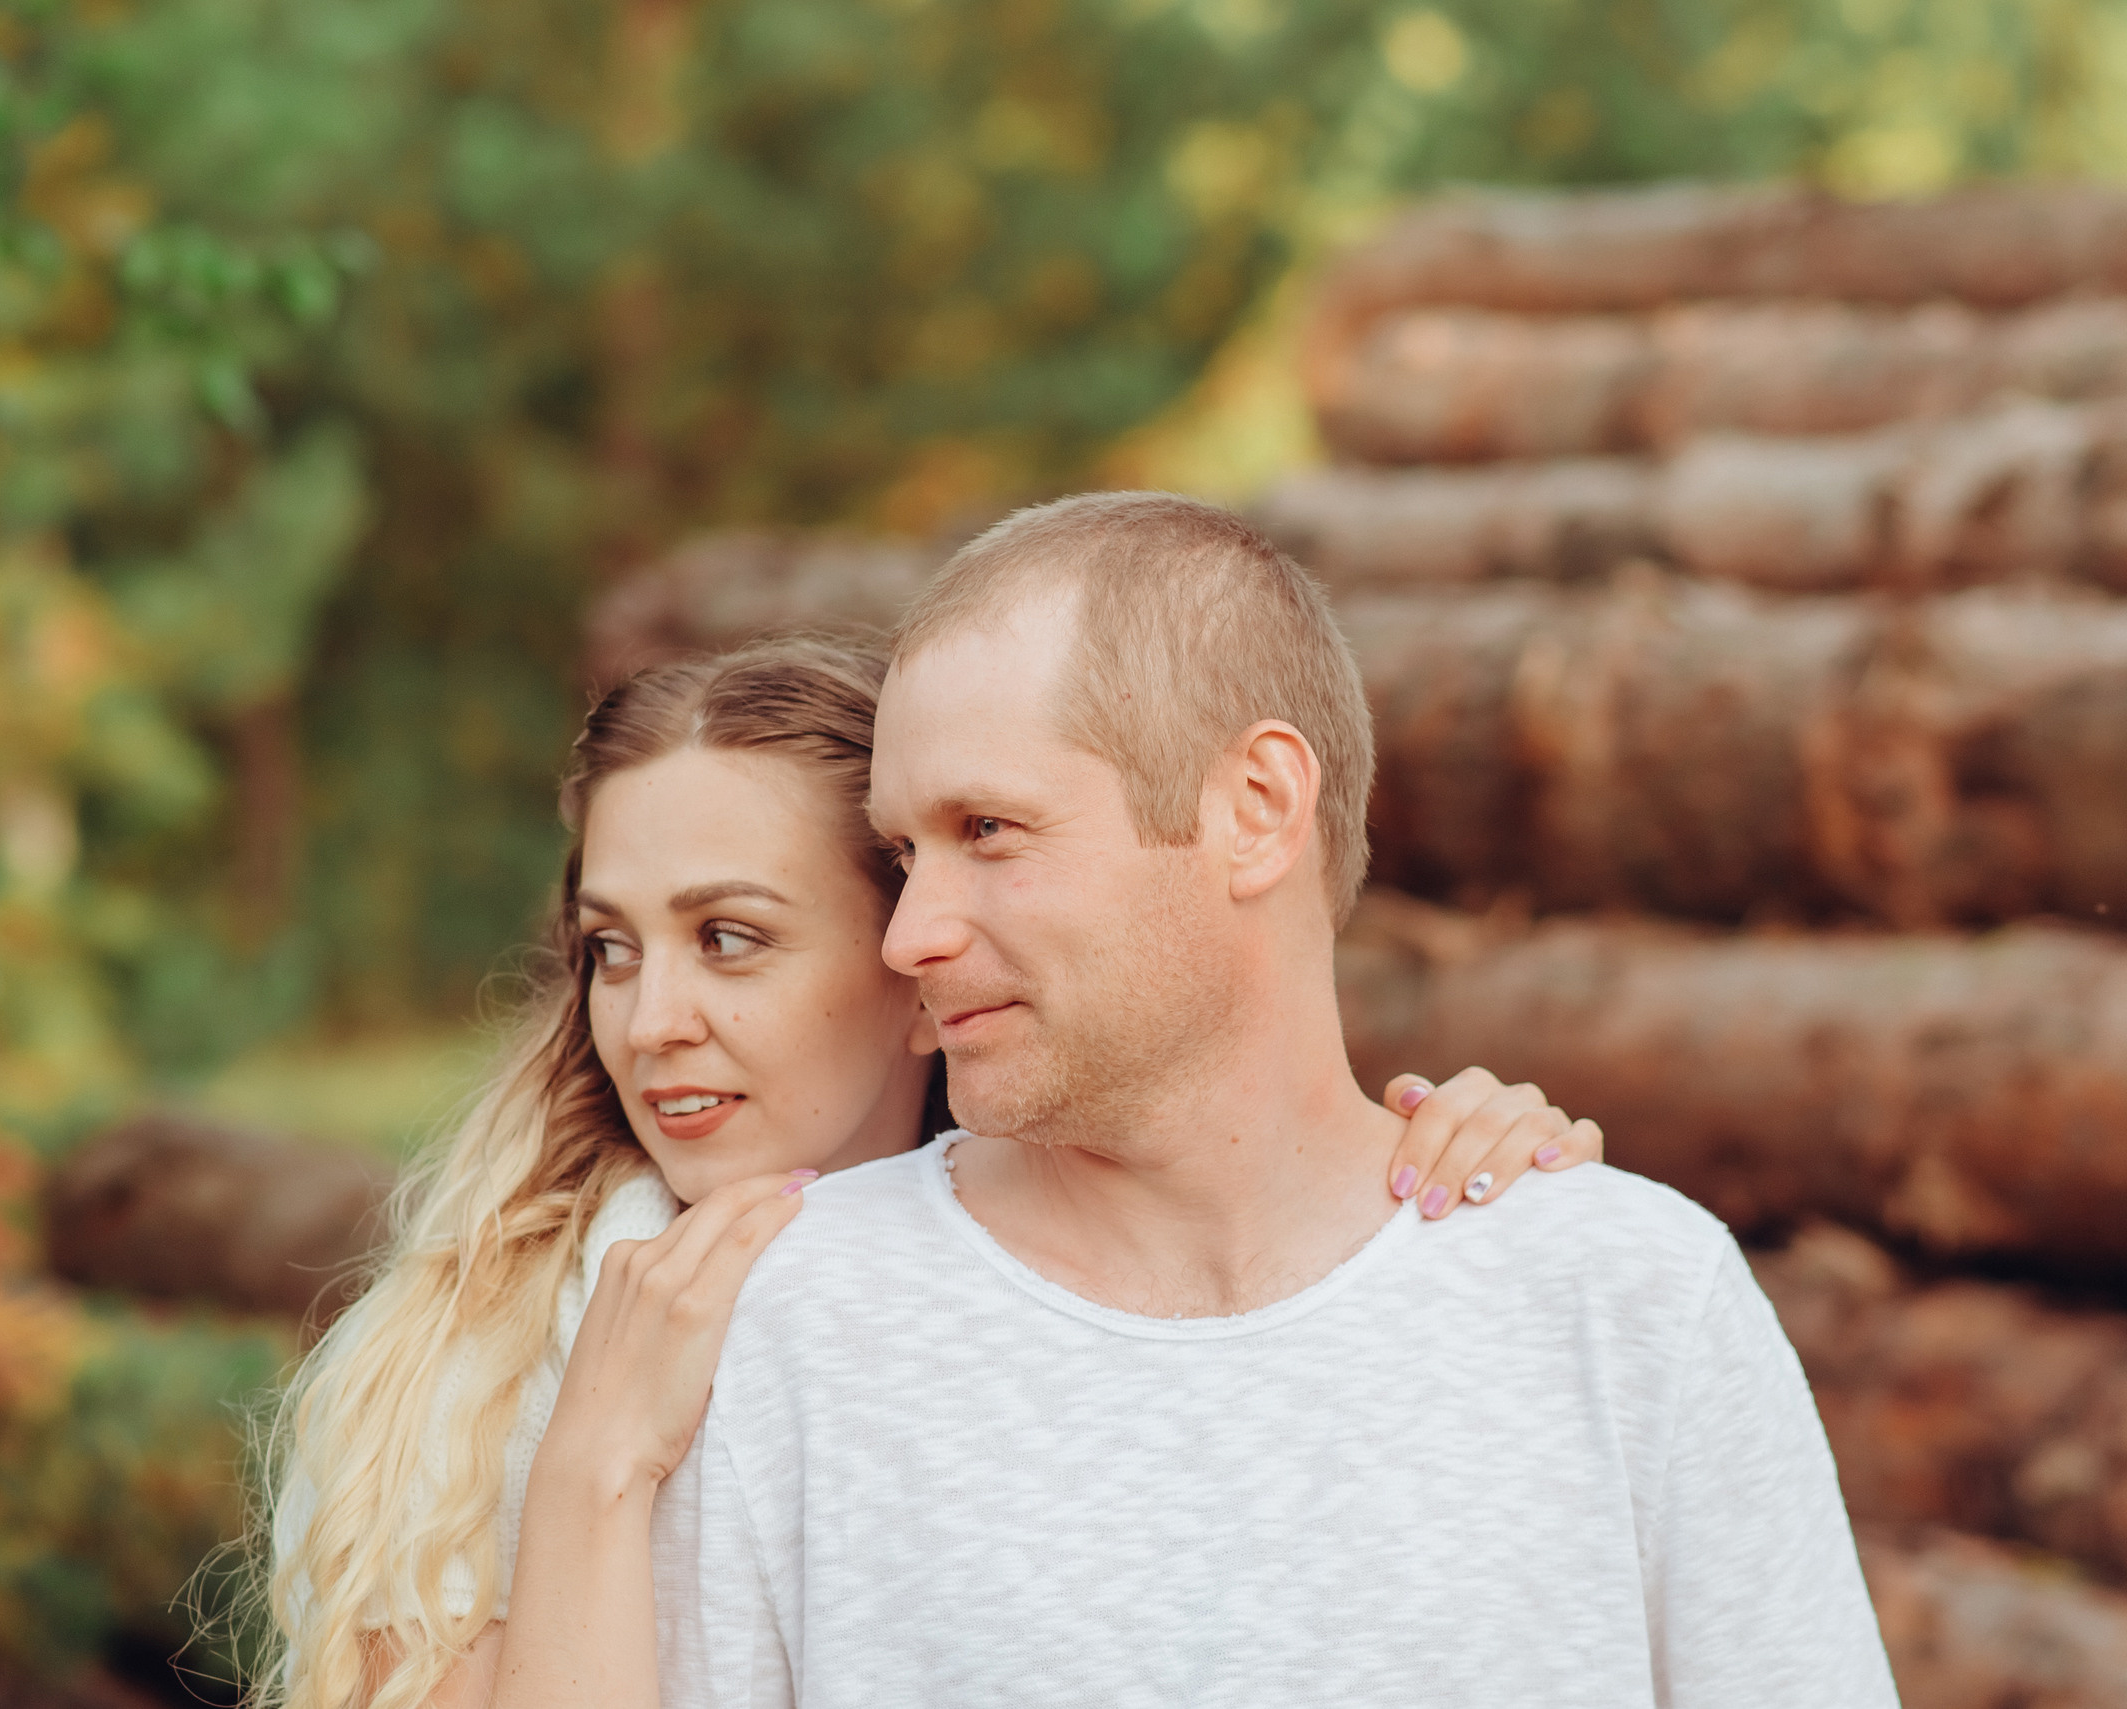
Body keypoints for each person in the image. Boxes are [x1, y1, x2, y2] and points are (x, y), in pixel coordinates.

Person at [647, 494, 1899, 1707]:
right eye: (905, 855)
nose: (911, 932)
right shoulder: (789, 1322)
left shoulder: (1630, 1298)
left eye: (989, 828)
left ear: (1254, 811)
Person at [260, 636, 1605, 1709]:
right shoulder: (461, 1375)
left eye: (729, 938)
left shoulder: (1090, 1281)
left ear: (916, 959)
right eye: (612, 947)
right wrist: (591, 1464)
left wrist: (1472, 1189)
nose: (649, 1015)